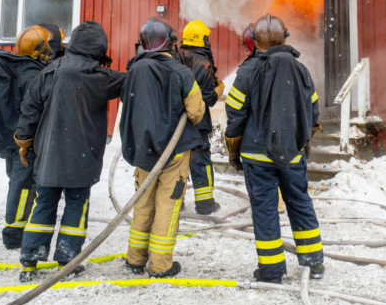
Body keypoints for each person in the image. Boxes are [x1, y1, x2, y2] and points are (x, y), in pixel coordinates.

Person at [13, 21, 126, 281]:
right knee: (77, 205)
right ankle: (67, 260)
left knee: (43, 204)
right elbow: (128, 81)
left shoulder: (49, 71)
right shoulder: (100, 77)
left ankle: (29, 261)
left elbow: (30, 109)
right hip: (82, 156)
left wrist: (24, 141)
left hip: (49, 156)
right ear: (99, 48)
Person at [224, 14, 324, 282]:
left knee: (265, 211)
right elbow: (313, 111)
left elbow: (234, 111)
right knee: (301, 205)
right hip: (291, 156)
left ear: (255, 41)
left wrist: (234, 146)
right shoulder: (300, 70)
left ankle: (271, 272)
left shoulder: (247, 71)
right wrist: (300, 141)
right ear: (285, 37)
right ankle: (314, 263)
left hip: (257, 157)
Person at [120, 17, 206, 279]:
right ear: (170, 41)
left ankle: (135, 260)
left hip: (143, 151)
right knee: (167, 206)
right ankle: (160, 265)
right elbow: (196, 112)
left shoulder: (134, 69)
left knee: (143, 203)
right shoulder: (181, 72)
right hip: (174, 151)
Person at [0, 25, 55, 248]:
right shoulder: (31, 76)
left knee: (20, 181)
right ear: (37, 48)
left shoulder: (19, 67)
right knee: (23, 183)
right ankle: (14, 231)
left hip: (14, 137)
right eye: (45, 45)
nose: (49, 48)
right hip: (25, 140)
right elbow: (32, 112)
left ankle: (21, 223)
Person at [179, 20, 224, 215]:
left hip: (173, 122)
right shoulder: (204, 63)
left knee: (176, 162)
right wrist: (219, 88)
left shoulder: (174, 56)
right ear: (202, 40)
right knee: (200, 161)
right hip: (197, 122)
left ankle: (174, 202)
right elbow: (208, 99)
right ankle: (205, 205)